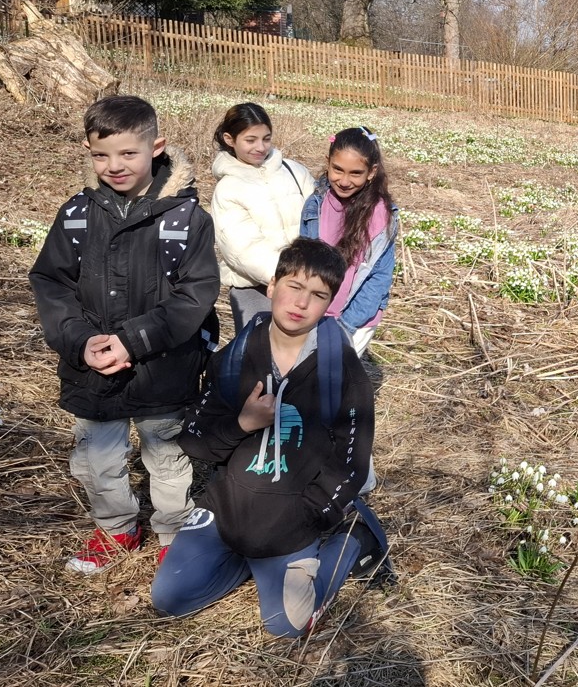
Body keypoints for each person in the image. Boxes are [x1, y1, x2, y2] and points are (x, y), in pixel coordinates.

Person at [150, 238, 384, 637]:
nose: (301, 303)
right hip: (228, 511)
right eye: (294, 286)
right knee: (170, 598)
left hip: (291, 522)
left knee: (287, 626)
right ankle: (244, 557)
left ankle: (354, 539)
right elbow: (195, 439)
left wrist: (313, 514)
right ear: (272, 286)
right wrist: (242, 423)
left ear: (329, 304)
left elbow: (351, 462)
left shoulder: (341, 372)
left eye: (318, 295)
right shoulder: (234, 359)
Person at [30, 95, 220, 573]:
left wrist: (134, 339)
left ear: (156, 147)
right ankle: (116, 528)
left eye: (128, 153)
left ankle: (173, 532)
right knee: (96, 456)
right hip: (92, 368)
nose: (114, 166)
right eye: (101, 155)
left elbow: (195, 295)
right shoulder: (76, 215)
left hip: (164, 366)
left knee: (168, 455)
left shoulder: (186, 219)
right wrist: (81, 341)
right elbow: (52, 283)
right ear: (88, 152)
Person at [209, 102, 312, 337]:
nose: (260, 147)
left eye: (266, 139)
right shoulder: (228, 188)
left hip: (307, 281)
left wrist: (311, 277)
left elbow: (317, 220)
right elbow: (243, 249)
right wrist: (291, 280)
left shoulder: (294, 171)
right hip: (256, 290)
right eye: (250, 140)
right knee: (260, 351)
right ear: (229, 139)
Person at [299, 127, 399, 357]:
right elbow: (303, 261)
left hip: (354, 320)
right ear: (327, 162)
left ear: (372, 172)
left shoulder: (381, 215)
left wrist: (346, 325)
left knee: (335, 374)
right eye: (337, 169)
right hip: (313, 311)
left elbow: (379, 278)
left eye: (355, 173)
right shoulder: (316, 203)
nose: (344, 181)